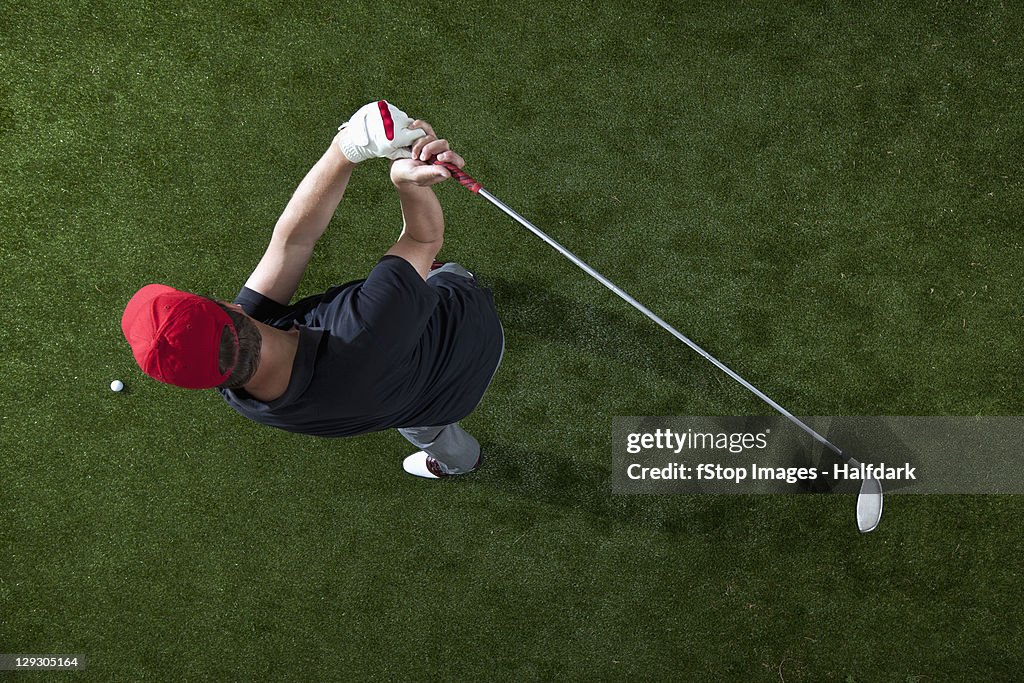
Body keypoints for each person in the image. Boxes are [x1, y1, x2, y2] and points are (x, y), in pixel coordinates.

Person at [121, 100, 504, 479]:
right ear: (231, 309)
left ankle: (461, 463)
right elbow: (422, 240)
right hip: (472, 327)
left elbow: (293, 242)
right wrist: (403, 181)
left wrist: (348, 147)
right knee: (437, 273)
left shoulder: (237, 388)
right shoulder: (362, 325)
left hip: (430, 409)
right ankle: (438, 280)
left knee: (427, 431)